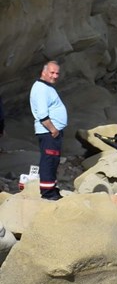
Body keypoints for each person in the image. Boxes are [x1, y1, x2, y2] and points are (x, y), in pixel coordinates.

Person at [30, 61, 68, 201]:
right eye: (52, 72)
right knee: (49, 160)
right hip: (48, 132)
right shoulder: (40, 88)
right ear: (43, 72)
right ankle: (47, 193)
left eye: (57, 73)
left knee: (53, 160)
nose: (55, 75)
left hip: (52, 132)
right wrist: (53, 129)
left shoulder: (47, 87)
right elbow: (42, 113)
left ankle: (52, 188)